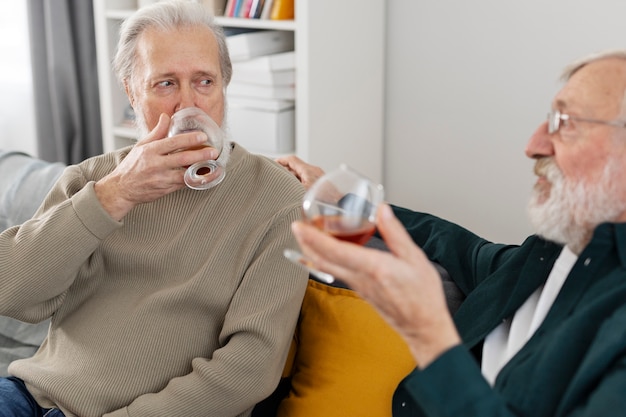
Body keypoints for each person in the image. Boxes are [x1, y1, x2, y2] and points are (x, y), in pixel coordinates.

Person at [278, 49, 626, 416]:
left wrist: (428, 335)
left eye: (565, 123)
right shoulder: (556, 249)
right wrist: (348, 204)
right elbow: (461, 247)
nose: (533, 145)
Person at [0, 1, 308, 416]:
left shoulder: (276, 200)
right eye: (165, 84)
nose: (188, 105)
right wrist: (115, 195)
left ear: (224, 85)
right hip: (30, 397)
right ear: (130, 91)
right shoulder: (92, 178)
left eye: (204, 81)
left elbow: (249, 370)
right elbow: (12, 293)